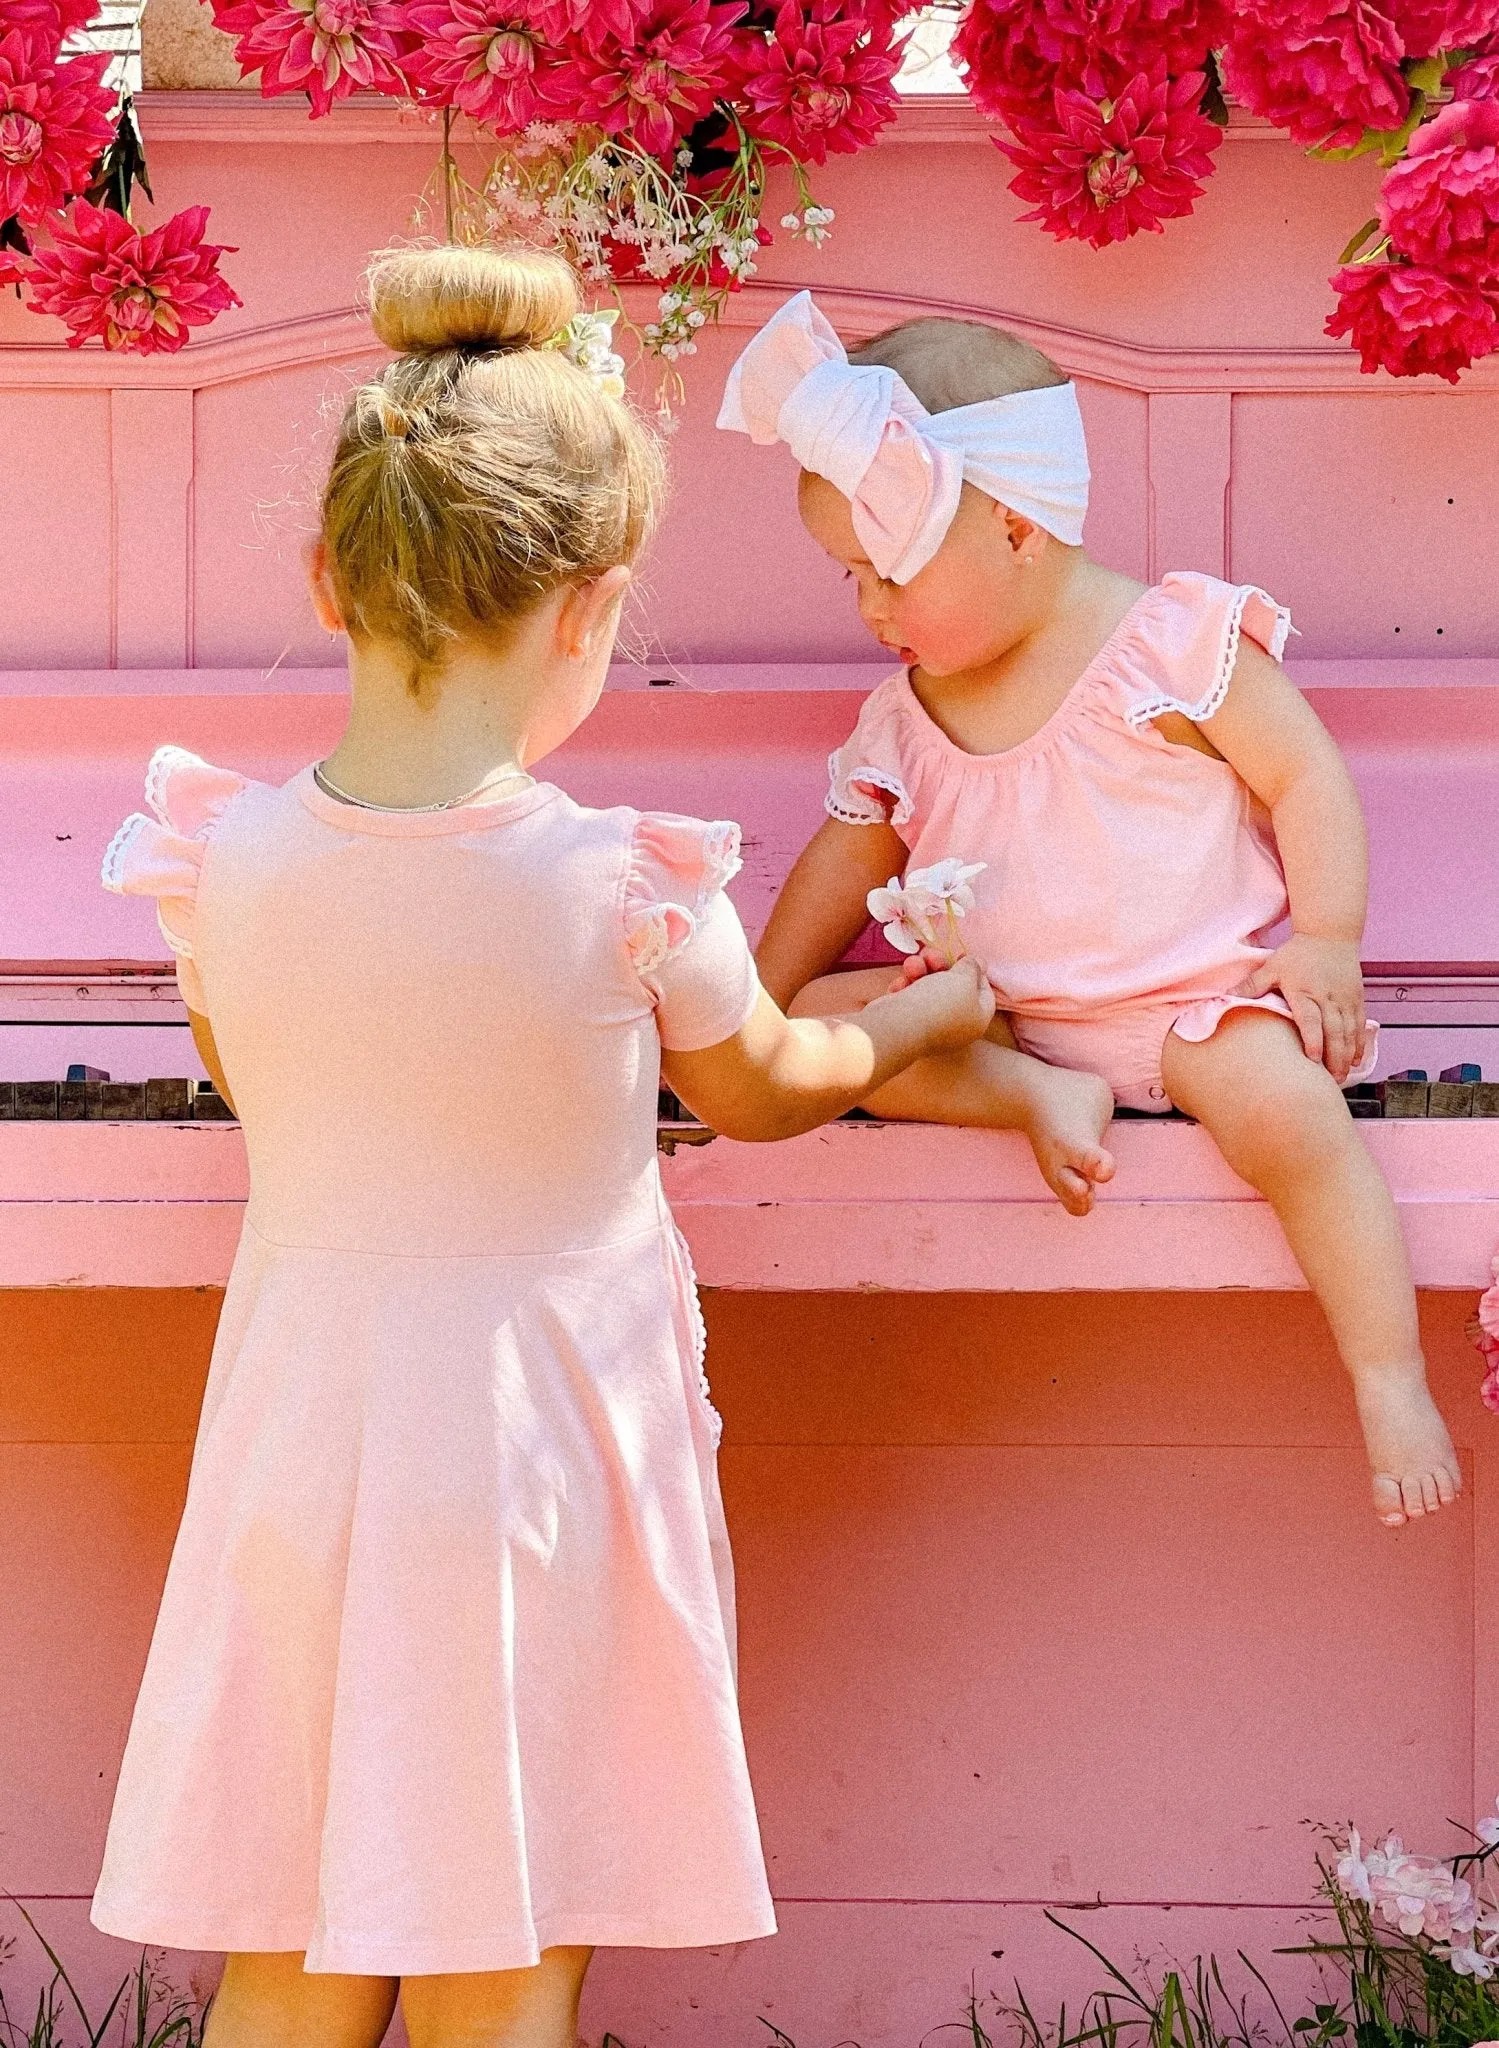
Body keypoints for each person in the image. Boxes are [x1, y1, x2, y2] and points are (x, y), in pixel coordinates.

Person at [92, 247, 995, 2048]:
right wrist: (928, 1009)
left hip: (303, 1434)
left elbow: (247, 1061)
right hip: (536, 1456)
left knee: (302, 1908)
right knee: (512, 1911)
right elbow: (763, 1081)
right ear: (588, 610)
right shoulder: (618, 881)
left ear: (325, 575)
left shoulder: (222, 860)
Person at [726, 290, 1460, 1532]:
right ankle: (1033, 1095)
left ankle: (1386, 1375)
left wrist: (1324, 938)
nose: (865, 609)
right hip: (991, 1025)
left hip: (1187, 1013)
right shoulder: (905, 716)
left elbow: (1303, 774)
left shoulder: (1165, 640)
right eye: (850, 575)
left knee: (1294, 1116)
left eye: (883, 573)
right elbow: (835, 864)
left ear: (1013, 528)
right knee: (829, 1029)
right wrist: (756, 1006)